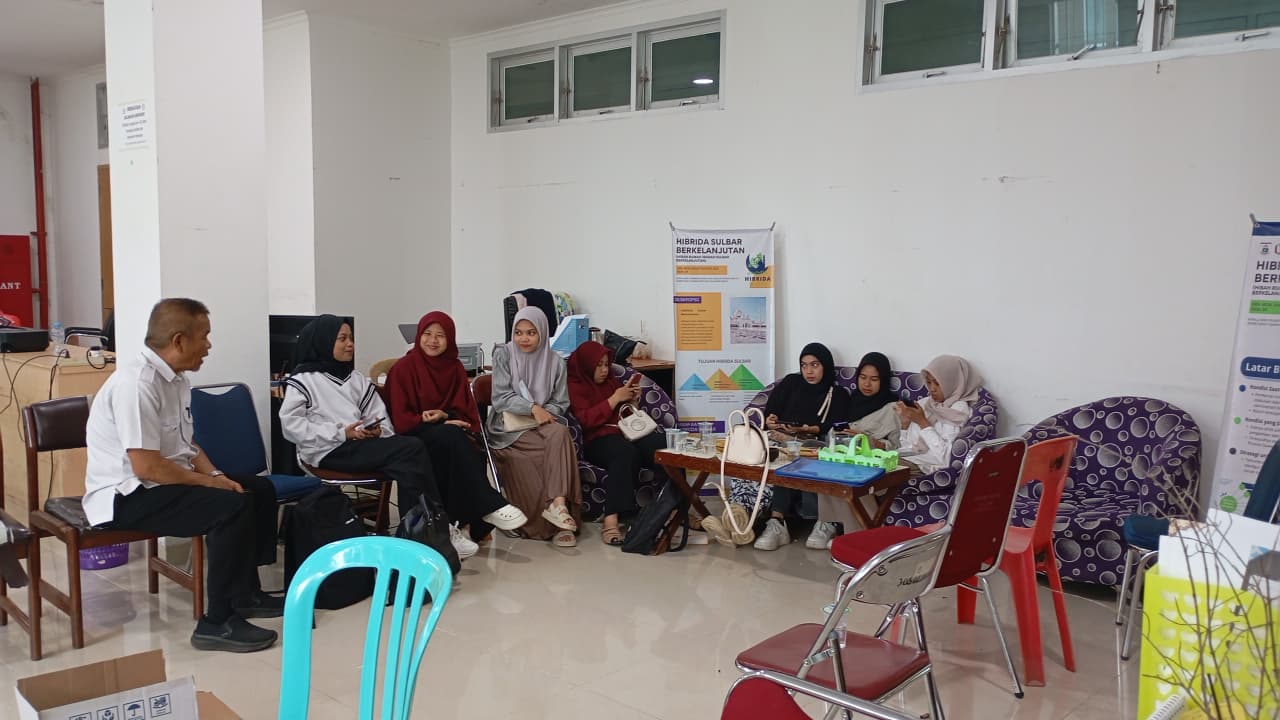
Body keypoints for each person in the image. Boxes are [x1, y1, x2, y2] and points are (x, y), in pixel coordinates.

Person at [84, 298, 281, 652]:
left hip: (161, 483)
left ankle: (246, 594)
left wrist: (217, 474)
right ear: (179, 340)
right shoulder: (137, 385)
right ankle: (217, 622)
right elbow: (147, 466)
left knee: (258, 489)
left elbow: (187, 445)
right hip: (125, 496)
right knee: (229, 507)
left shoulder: (176, 380)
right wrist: (210, 484)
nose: (209, 345)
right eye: (204, 336)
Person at [278, 316, 464, 557]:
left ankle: (422, 534)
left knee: (410, 460)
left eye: (351, 338)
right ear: (323, 342)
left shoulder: (355, 378)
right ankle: (431, 531)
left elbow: (379, 415)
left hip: (359, 445)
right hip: (327, 451)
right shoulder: (303, 380)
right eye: (342, 339)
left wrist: (378, 430)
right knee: (411, 450)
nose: (350, 344)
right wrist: (341, 433)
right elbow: (291, 426)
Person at [385, 311, 527, 542]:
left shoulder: (454, 368)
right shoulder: (403, 368)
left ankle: (462, 527)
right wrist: (428, 419)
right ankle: (489, 506)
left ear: (450, 339)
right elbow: (400, 421)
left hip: (447, 435)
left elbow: (466, 413)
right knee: (451, 437)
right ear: (419, 336)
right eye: (427, 334)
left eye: (440, 335)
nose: (433, 340)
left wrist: (445, 415)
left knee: (464, 444)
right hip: (412, 435)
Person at [486, 307, 582, 547]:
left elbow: (561, 402)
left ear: (543, 333)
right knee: (555, 447)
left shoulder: (556, 362)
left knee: (560, 433)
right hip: (508, 429)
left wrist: (543, 412)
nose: (524, 339)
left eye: (531, 333)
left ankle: (558, 507)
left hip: (542, 423)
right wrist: (531, 408)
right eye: (518, 332)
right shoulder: (504, 355)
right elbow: (500, 397)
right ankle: (554, 521)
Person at [752, 342, 852, 552]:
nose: (809, 371)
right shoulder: (791, 382)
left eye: (815, 365)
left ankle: (816, 521)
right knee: (769, 454)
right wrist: (771, 420)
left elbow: (838, 424)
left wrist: (809, 429)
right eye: (804, 365)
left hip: (813, 442)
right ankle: (773, 522)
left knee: (794, 456)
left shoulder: (837, 393)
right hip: (781, 438)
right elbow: (772, 410)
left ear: (825, 366)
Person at [567, 341, 666, 546]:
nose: (604, 370)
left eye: (606, 364)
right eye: (599, 365)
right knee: (624, 453)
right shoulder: (575, 385)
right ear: (586, 365)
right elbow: (584, 421)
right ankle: (611, 519)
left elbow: (624, 415)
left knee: (664, 446)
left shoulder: (611, 382)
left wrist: (632, 401)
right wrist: (614, 399)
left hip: (625, 433)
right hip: (597, 439)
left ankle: (674, 508)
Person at [813, 351, 900, 547]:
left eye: (874, 379)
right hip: (845, 454)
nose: (867, 384)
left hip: (874, 460)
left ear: (883, 380)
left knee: (855, 473)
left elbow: (897, 447)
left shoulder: (893, 408)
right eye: (863, 377)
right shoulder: (849, 401)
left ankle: (859, 533)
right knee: (826, 465)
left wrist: (868, 440)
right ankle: (828, 524)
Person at [894, 354, 982, 473]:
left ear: (952, 382)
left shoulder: (957, 410)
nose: (932, 389)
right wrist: (905, 425)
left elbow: (946, 459)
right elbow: (908, 449)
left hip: (922, 468)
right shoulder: (926, 403)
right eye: (929, 382)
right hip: (905, 459)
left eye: (937, 383)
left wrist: (922, 422)